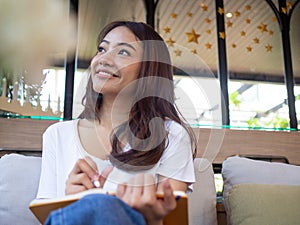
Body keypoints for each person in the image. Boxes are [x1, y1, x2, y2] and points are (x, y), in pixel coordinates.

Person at [37, 20, 197, 225]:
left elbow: (172, 220)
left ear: (148, 70)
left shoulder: (171, 135)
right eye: (102, 49)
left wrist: (150, 219)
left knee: (100, 205)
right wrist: (72, 201)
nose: (104, 58)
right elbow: (46, 218)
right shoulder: (57, 134)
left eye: (123, 52)